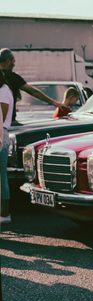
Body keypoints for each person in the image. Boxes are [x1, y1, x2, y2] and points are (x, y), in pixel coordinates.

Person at [0, 48, 64, 126]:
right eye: (13, 61)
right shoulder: (13, 77)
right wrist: (53, 102)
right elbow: (33, 91)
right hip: (7, 124)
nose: (14, 64)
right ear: (8, 61)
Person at [0, 73, 13, 223]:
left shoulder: (3, 91)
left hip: (1, 133)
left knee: (1, 174)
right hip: (2, 133)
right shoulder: (4, 90)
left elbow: (1, 118)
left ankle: (4, 213)